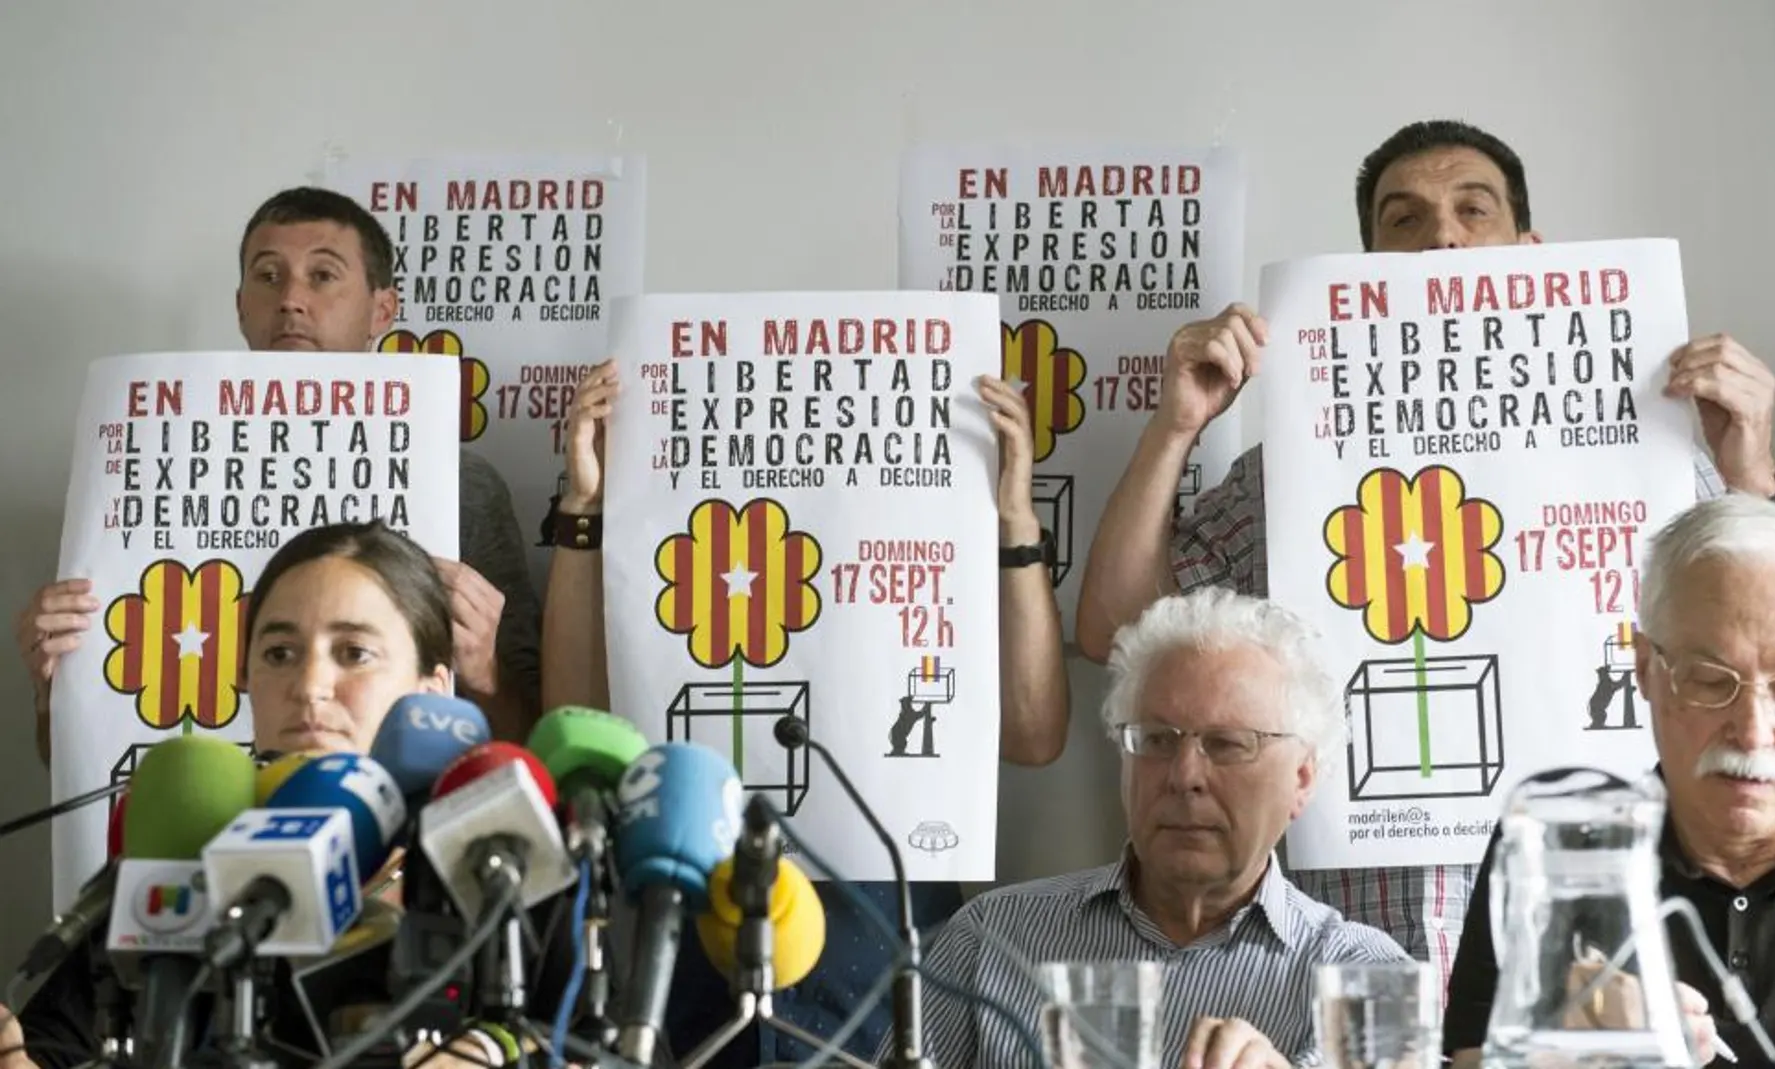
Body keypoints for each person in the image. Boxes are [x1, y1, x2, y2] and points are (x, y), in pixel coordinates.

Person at [1074, 119, 1775, 985]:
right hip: (1343, 961)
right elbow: (1115, 628)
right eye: (1403, 219)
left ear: (1530, 251)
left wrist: (1748, 461)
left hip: (1589, 945)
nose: (1441, 237)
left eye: (1472, 209)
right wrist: (1178, 423)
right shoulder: (1296, 472)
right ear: (1369, 263)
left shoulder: (1652, 450)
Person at [538, 362, 1071, 1063]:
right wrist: (587, 507)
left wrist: (1014, 519)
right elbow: (573, 718)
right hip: (696, 969)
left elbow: (1035, 733)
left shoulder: (912, 577)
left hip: (884, 972)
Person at [14, 187, 542, 748]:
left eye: (322, 276)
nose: (291, 298)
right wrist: (57, 692)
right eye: (269, 276)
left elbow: (530, 737)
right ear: (241, 304)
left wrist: (484, 672)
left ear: (381, 310)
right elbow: (65, 760)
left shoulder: (462, 485)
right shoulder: (140, 470)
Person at [7, 521, 519, 1068]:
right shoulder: (182, 865)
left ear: (432, 692)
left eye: (354, 652)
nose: (309, 685)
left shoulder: (493, 877)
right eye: (279, 653)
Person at [1443, 495, 1775, 1068]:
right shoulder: (1557, 848)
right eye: (1711, 681)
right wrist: (1565, 1056)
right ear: (1644, 669)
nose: (1754, 732)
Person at [902, 587, 1408, 1069]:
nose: (1184, 776)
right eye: (1157, 740)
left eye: (1228, 743)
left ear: (1301, 778)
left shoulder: (1367, 979)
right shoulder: (989, 939)